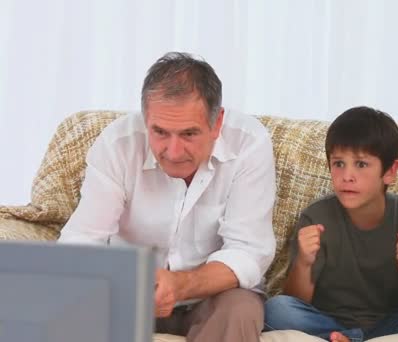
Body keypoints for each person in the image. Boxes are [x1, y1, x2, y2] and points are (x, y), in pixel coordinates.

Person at [59, 52, 277, 342]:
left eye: (189, 134)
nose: (173, 153)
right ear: (145, 118)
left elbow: (250, 252)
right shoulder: (117, 145)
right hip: (129, 293)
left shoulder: (249, 143)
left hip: (212, 296)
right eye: (160, 132)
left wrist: (181, 284)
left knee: (240, 308)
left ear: (217, 123)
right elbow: (82, 242)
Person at [264, 106, 398, 342]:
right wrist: (304, 263)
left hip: (394, 323)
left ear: (390, 171)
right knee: (277, 308)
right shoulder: (315, 217)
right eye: (338, 164)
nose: (347, 175)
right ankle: (350, 337)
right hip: (328, 320)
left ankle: (348, 339)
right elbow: (297, 300)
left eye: (361, 164)